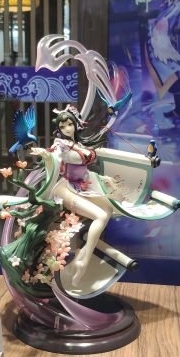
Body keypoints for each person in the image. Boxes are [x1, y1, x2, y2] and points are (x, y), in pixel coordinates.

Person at [31, 105, 119, 287]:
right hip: (65, 189)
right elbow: (54, 156)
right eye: (62, 126)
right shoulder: (60, 145)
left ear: (76, 124)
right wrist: (45, 155)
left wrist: (103, 178)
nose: (66, 129)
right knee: (101, 216)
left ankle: (83, 254)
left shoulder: (78, 145)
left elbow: (83, 171)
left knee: (109, 209)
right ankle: (83, 262)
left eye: (69, 124)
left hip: (81, 186)